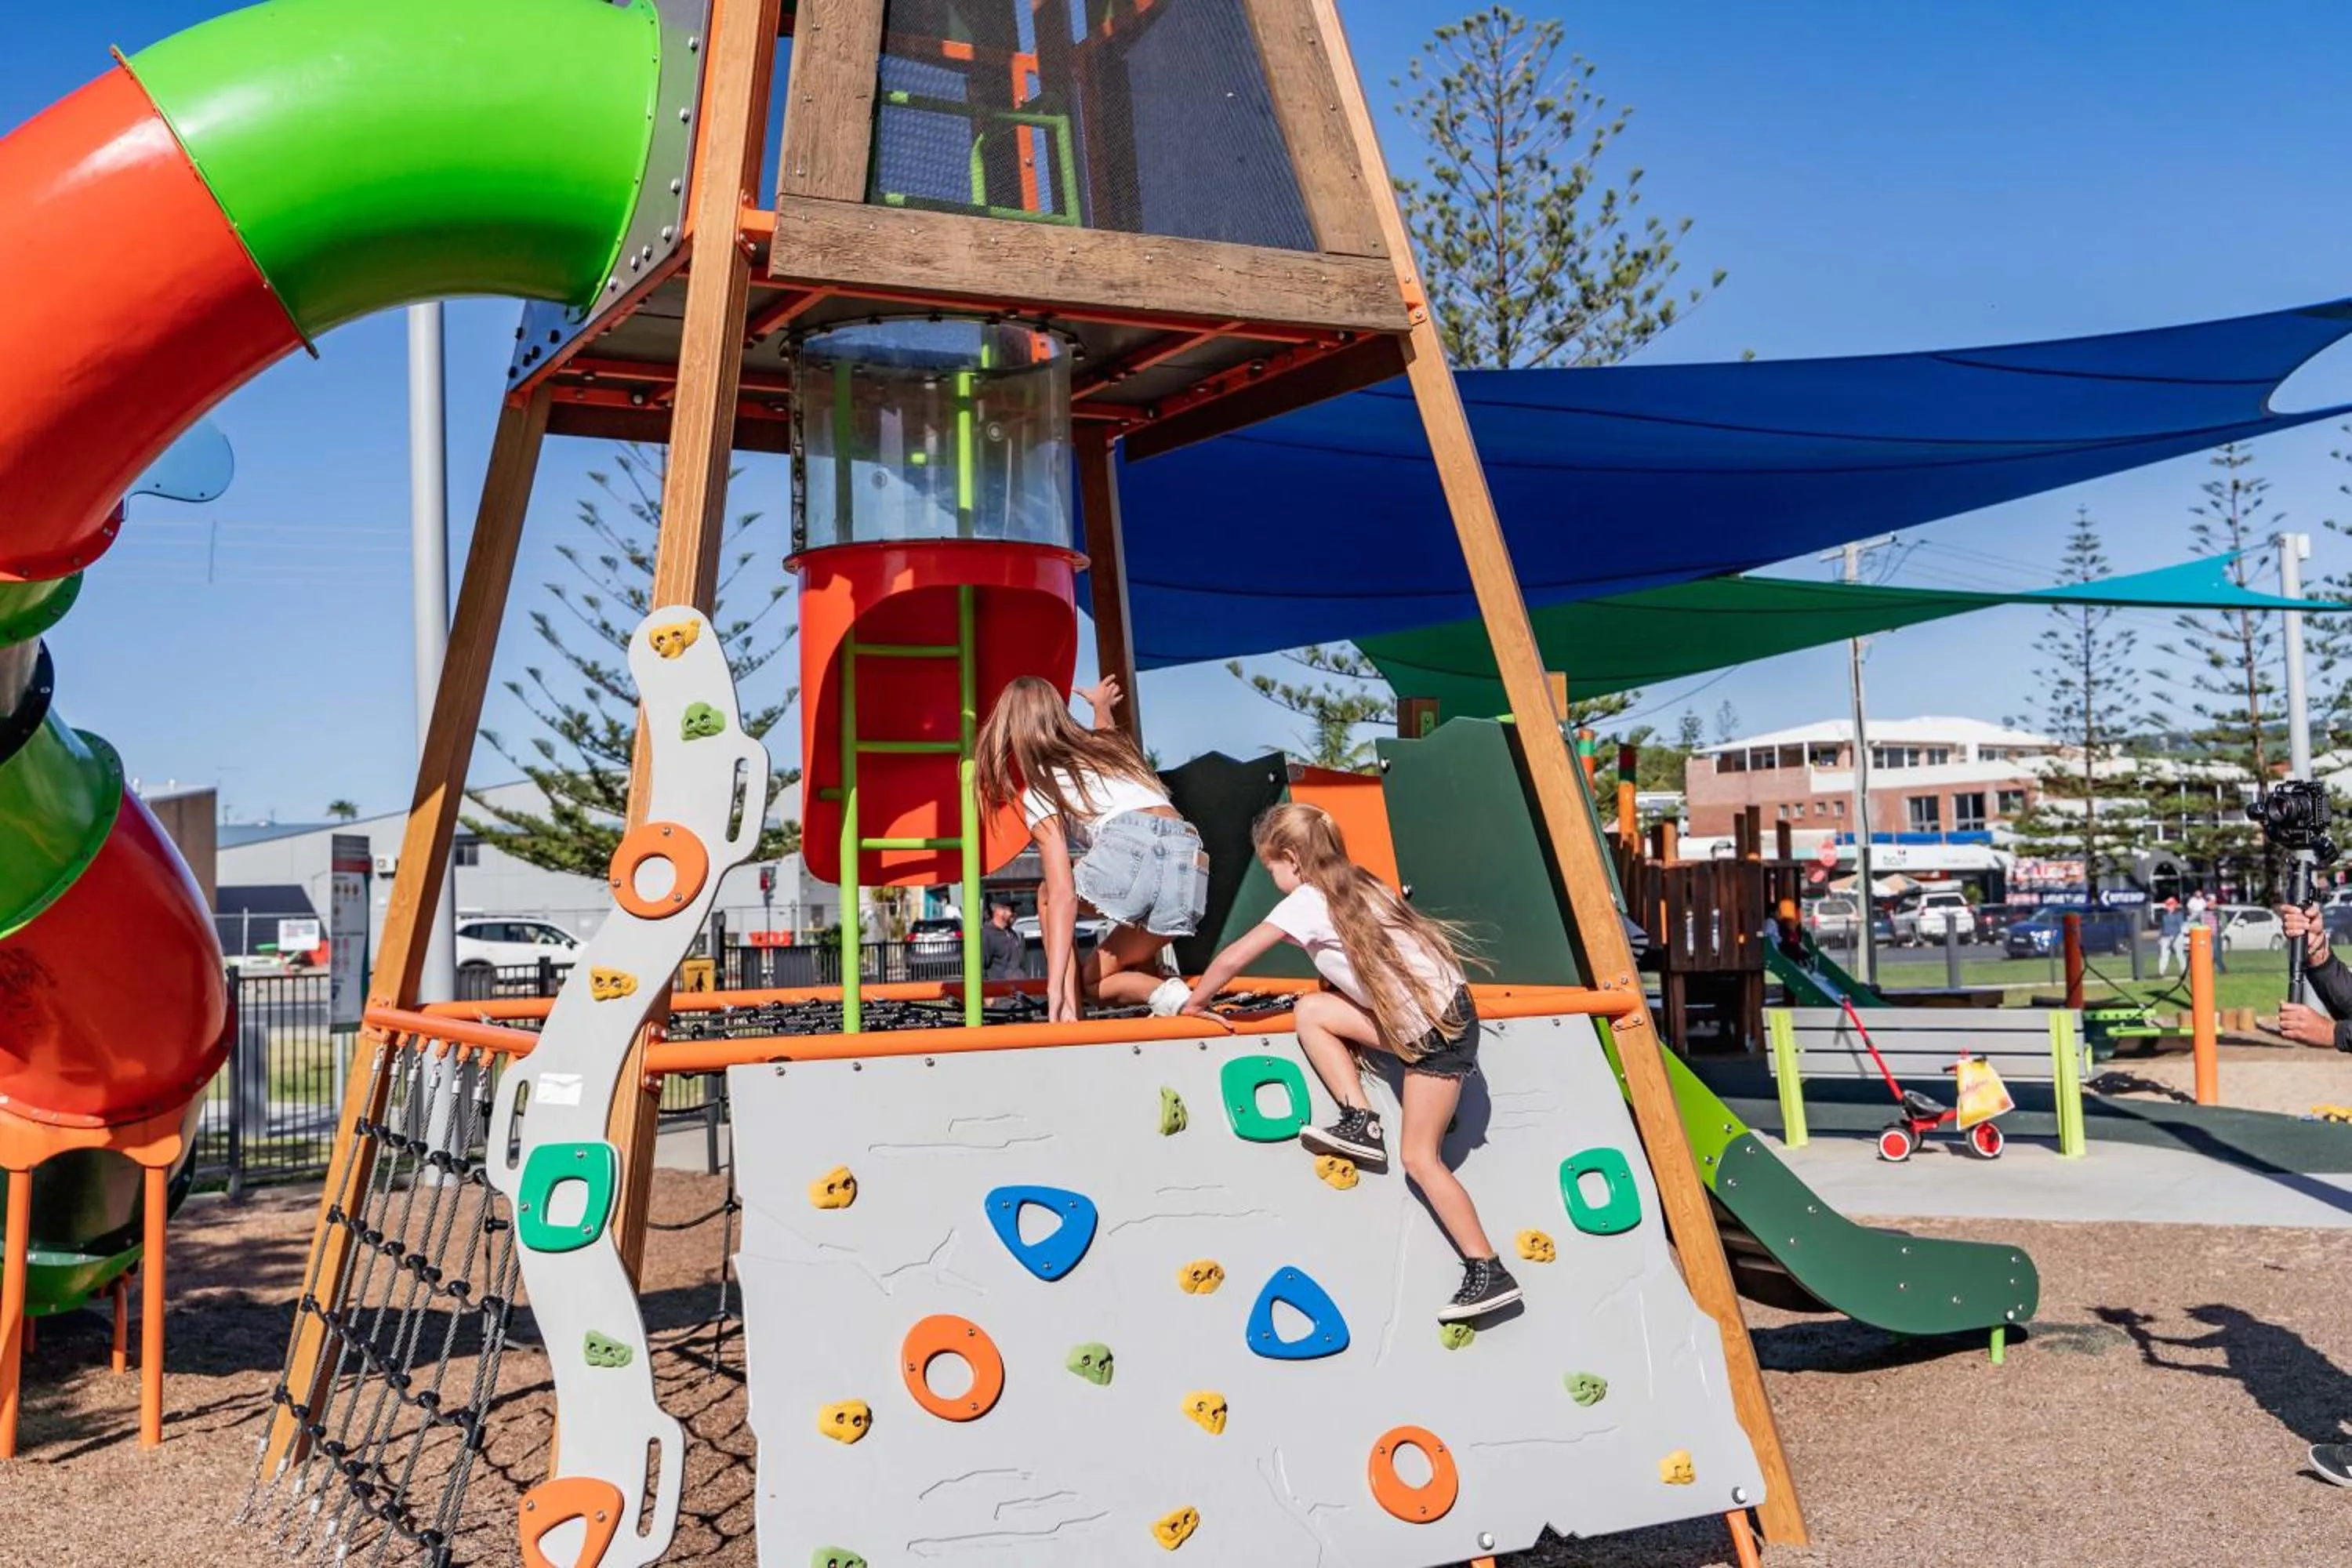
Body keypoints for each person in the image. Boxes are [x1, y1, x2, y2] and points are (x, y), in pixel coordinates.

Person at [1177, 801, 1518, 1323]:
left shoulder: (1305, 901)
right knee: (1313, 1010)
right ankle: (1360, 1121)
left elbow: (1234, 957)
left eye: (1271, 868)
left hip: (1432, 1035)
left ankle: (1488, 1269)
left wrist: (1195, 1003)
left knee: (1420, 1159)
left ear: (1292, 860)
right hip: (1446, 1015)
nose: (1273, 880)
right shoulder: (1363, 883)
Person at [975, 674, 1206, 1022]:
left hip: (1134, 849)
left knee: (1048, 893)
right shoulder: (1108, 751)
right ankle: (1171, 996)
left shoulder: (1041, 785)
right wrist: (1101, 708)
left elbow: (1063, 894)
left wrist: (1053, 986)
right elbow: (1106, 733)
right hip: (1189, 862)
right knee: (1095, 981)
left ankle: (1068, 1012)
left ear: (1010, 731)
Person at [981, 898, 1026, 981]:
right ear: (999, 911)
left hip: (1019, 986)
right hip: (998, 987)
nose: (1014, 914)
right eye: (1011, 910)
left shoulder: (1014, 935)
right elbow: (980, 967)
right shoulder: (986, 935)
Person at [2158, 898, 2186, 976]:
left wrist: (2174, 937)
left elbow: (2180, 927)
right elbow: (2162, 927)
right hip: (2165, 936)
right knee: (2164, 955)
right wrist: (2160, 937)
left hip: (2177, 937)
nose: (2168, 906)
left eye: (2170, 905)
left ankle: (2183, 970)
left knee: (2179, 954)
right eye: (2167, 905)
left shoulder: (2179, 914)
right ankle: (2161, 972)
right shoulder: (2164, 915)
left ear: (2174, 905)